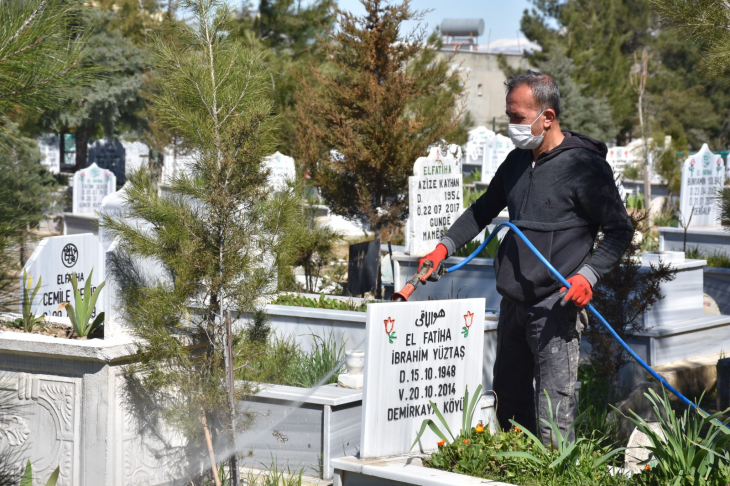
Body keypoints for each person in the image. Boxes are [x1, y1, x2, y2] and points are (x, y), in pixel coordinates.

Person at [417, 70, 632, 445]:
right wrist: (444, 247)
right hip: (514, 302)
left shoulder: (584, 167)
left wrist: (588, 276)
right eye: (509, 116)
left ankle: (556, 476)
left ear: (546, 117)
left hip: (556, 305)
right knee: (509, 403)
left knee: (554, 411)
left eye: (518, 118)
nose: (511, 126)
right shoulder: (517, 161)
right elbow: (481, 211)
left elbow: (619, 231)